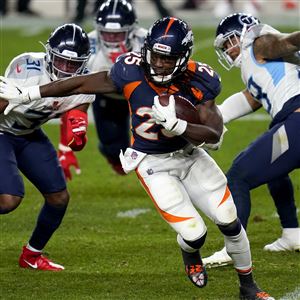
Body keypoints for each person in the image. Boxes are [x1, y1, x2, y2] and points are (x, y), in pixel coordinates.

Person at [0, 17, 274, 299]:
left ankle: (249, 287)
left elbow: (214, 134)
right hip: (152, 163)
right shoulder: (130, 69)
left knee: (229, 220)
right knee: (195, 235)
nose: (158, 63)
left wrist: (179, 126)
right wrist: (30, 93)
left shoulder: (201, 78)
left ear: (183, 57)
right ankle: (190, 252)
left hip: (190, 155)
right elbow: (79, 84)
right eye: (155, 55)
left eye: (167, 59)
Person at [202, 13, 300, 268]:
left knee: (238, 175)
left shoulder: (260, 43)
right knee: (275, 171)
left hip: (297, 122)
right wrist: (211, 120)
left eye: (228, 42)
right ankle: (292, 233)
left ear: (243, 33)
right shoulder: (260, 68)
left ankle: (233, 250)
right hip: (291, 122)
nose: (227, 50)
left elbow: (286, 42)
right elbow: (250, 98)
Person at [0, 23, 94, 271]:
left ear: (84, 63)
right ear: (49, 54)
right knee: (8, 200)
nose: (65, 69)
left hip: (29, 134)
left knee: (58, 198)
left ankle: (31, 256)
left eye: (72, 65)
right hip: (2, 130)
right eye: (61, 61)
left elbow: (76, 121)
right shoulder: (26, 68)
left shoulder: (84, 83)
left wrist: (77, 134)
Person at [59, 0, 147, 179]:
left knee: (157, 143)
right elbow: (70, 94)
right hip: (107, 97)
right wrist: (65, 147)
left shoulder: (146, 42)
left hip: (142, 96)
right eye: (107, 34)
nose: (112, 39)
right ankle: (108, 149)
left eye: (117, 34)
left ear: (131, 30)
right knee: (116, 153)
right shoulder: (87, 46)